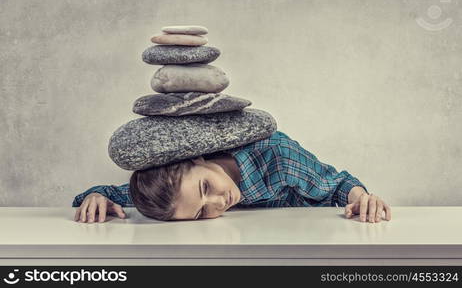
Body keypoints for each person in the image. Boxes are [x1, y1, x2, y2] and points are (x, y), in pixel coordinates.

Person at [72, 130, 391, 223]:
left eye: (206, 187)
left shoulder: (275, 155)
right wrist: (95, 198)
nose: (218, 202)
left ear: (198, 157)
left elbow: (337, 184)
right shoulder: (173, 196)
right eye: (199, 213)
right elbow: (111, 194)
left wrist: (363, 199)